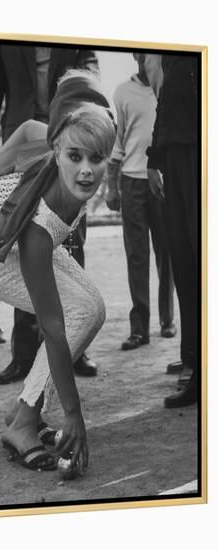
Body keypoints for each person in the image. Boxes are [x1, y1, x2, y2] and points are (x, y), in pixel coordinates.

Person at [0, 70, 116, 471]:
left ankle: (22, 410)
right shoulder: (41, 224)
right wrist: (74, 414)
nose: (85, 170)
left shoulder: (69, 134)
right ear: (57, 149)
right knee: (74, 315)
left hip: (17, 230)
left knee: (93, 309)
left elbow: (26, 127)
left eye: (96, 159)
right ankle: (23, 423)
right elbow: (53, 327)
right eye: (74, 157)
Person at [0, 43, 101, 384]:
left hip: (71, 142)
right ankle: (23, 355)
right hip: (23, 147)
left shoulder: (76, 31)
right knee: (24, 244)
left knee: (72, 245)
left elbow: (90, 76)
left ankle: (75, 348)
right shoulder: (3, 37)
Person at [105, 53, 175, 351]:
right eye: (145, 52)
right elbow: (118, 140)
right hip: (131, 181)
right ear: (136, 55)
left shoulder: (169, 87)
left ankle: (167, 320)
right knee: (137, 255)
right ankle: (139, 329)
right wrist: (111, 186)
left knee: (167, 254)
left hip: (162, 180)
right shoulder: (122, 92)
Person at [145, 54, 199, 408]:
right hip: (175, 155)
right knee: (183, 260)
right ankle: (196, 367)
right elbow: (167, 97)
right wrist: (153, 158)